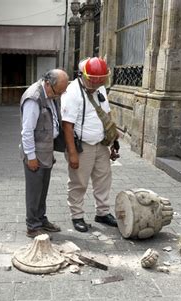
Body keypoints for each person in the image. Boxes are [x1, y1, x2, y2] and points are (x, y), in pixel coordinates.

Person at [61, 57, 119, 233]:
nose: (97, 83)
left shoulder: (100, 86)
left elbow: (106, 114)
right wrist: (72, 153)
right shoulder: (72, 92)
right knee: (79, 182)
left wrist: (113, 141)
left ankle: (102, 212)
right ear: (83, 75)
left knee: (103, 180)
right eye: (93, 80)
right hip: (82, 146)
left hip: (101, 144)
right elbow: (67, 125)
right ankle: (77, 216)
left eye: (101, 80)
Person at [20, 69, 69, 238]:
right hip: (35, 154)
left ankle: (41, 219)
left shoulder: (51, 94)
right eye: (58, 92)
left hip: (46, 151)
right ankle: (33, 226)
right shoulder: (34, 98)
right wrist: (31, 157)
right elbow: (27, 132)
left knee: (42, 190)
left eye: (63, 92)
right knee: (34, 192)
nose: (60, 95)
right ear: (48, 83)